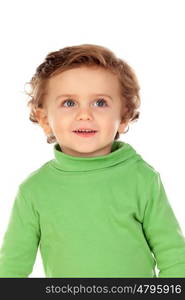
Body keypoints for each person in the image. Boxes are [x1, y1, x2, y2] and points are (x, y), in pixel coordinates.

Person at [0, 44, 185, 278]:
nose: (84, 114)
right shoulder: (34, 191)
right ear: (45, 118)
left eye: (100, 103)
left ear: (124, 116)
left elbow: (174, 257)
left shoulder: (142, 179)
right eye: (69, 103)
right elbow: (11, 270)